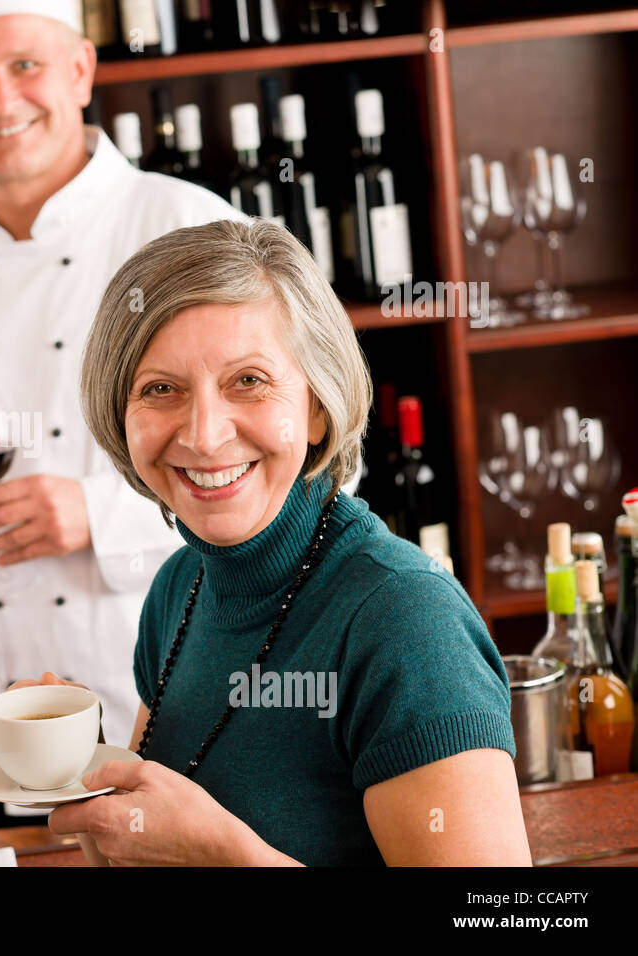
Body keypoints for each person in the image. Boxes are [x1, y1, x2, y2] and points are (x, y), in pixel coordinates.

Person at [30, 219, 530, 865]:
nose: (205, 435)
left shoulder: (406, 620)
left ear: (318, 406)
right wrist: (78, 765)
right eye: (161, 389)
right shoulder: (178, 590)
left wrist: (225, 855)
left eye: (248, 381)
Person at [0, 0, 246, 832]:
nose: (0, 99)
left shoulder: (192, 228)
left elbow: (318, 467)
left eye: (26, 65)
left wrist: (102, 514)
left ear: (79, 71)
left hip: (185, 737)